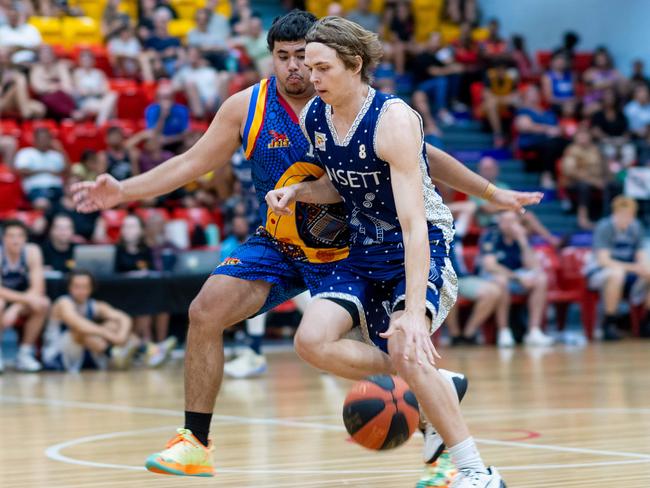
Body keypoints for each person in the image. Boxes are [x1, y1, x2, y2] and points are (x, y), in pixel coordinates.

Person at [71, 10, 537, 480]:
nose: (299, 70)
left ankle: (453, 460)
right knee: (206, 309)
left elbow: (424, 158)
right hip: (284, 240)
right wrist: (124, 191)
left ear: (342, 59)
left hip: (350, 242)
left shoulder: (377, 113)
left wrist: (491, 193)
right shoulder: (255, 107)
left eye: (308, 60)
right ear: (271, 57)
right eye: (287, 58)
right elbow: (191, 163)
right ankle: (195, 441)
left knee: (401, 343)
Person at [265, 16, 542, 487]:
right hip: (362, 246)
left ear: (354, 65)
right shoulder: (317, 115)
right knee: (310, 341)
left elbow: (413, 225)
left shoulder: (393, 120)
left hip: (418, 243)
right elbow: (339, 181)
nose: (311, 78)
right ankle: (437, 383)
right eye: (308, 67)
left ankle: (478, 472)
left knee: (407, 343)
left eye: (322, 68)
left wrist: (414, 314)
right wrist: (300, 193)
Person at [477, 211, 553, 347]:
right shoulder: (491, 235)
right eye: (506, 221)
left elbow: (534, 266)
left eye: (513, 221)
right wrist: (518, 278)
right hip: (493, 277)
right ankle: (504, 332)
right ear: (500, 223)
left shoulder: (520, 237)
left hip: (517, 276)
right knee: (501, 281)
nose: (510, 225)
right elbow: (490, 266)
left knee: (541, 279)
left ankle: (534, 331)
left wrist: (523, 241)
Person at [42, 269, 139, 372]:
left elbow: (124, 317)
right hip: (58, 356)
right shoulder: (63, 303)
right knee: (80, 331)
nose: (81, 291)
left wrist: (121, 337)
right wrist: (109, 335)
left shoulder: (94, 304)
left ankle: (126, 353)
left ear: (91, 288)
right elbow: (79, 325)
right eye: (77, 287)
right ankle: (113, 354)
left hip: (85, 353)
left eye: (85, 287)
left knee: (114, 325)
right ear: (69, 287)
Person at [585, 197, 650, 340]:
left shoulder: (636, 227)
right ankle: (609, 323)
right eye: (623, 214)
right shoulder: (605, 226)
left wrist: (644, 268)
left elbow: (641, 256)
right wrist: (634, 267)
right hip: (598, 272)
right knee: (616, 274)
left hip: (628, 271)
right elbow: (604, 261)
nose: (626, 218)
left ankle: (646, 321)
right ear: (615, 213)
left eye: (630, 215)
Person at [0, 219, 49, 373]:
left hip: (21, 300)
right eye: (11, 236)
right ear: (3, 238)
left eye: (20, 236)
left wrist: (15, 308)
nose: (16, 240)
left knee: (42, 303)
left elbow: (38, 287)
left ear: (25, 238)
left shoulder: (32, 251)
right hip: (4, 299)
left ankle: (24, 353)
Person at [13, 127, 68, 211]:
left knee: (69, 204)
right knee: (42, 204)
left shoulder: (56, 155)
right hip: (36, 190)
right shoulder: (26, 153)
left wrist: (62, 150)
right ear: (34, 139)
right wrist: (45, 171)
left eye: (46, 138)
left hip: (57, 189)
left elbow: (68, 171)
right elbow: (21, 171)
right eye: (41, 138)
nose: (44, 141)